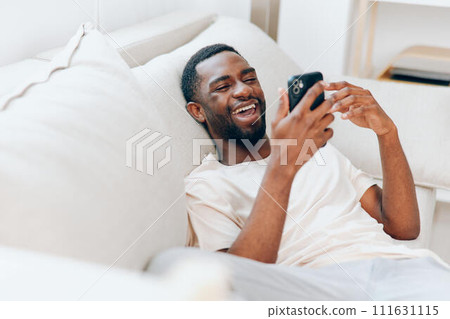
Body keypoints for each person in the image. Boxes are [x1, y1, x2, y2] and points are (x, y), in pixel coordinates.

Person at [162, 43, 450, 300]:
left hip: (400, 271)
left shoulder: (318, 150)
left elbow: (404, 228)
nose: (244, 90)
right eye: (223, 87)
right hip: (317, 289)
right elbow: (237, 278)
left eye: (249, 79)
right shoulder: (207, 185)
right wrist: (284, 165)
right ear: (197, 111)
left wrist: (387, 132)